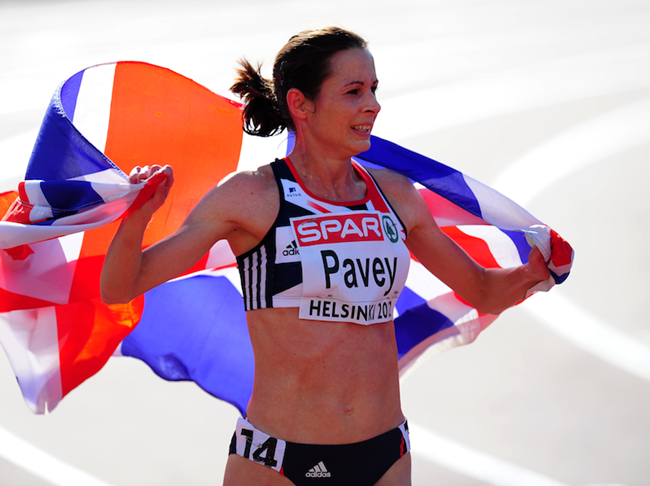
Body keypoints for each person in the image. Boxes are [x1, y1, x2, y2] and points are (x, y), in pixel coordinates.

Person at [100, 26, 550, 486]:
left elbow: (482, 290)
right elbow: (120, 286)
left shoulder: (395, 195)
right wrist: (136, 218)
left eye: (373, 89)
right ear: (301, 104)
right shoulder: (251, 197)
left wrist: (532, 273)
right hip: (279, 460)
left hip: (385, 454)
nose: (372, 105)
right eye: (353, 91)